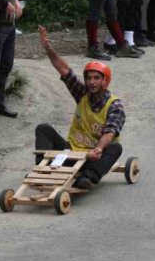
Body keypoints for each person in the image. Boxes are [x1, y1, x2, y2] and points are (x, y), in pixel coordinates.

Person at [37, 26, 126, 190]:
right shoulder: (82, 94)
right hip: (71, 152)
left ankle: (87, 177)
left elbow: (110, 132)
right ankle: (42, 170)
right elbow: (64, 70)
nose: (92, 82)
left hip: (94, 157)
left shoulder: (115, 105)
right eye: (89, 78)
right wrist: (48, 48)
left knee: (116, 148)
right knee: (43, 129)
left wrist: (98, 149)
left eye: (96, 78)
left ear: (105, 81)